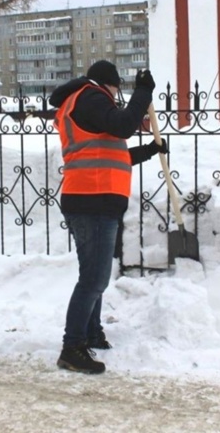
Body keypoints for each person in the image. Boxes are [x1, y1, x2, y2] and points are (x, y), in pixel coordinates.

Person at [49, 60, 167, 375]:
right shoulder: (91, 96)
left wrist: (149, 151)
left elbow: (111, 153)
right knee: (95, 278)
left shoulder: (84, 102)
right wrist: (144, 91)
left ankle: (90, 331)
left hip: (93, 197)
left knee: (93, 274)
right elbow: (124, 125)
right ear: (111, 85)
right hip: (92, 200)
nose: (117, 99)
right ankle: (72, 347)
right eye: (118, 91)